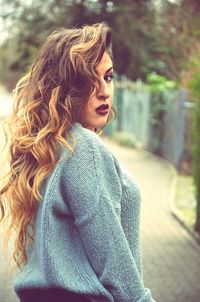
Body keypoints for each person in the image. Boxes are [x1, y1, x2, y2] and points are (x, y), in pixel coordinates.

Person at [0, 23, 157, 302]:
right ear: (64, 88)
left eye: (107, 77)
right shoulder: (83, 148)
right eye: (88, 81)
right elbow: (113, 260)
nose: (104, 91)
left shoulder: (49, 148)